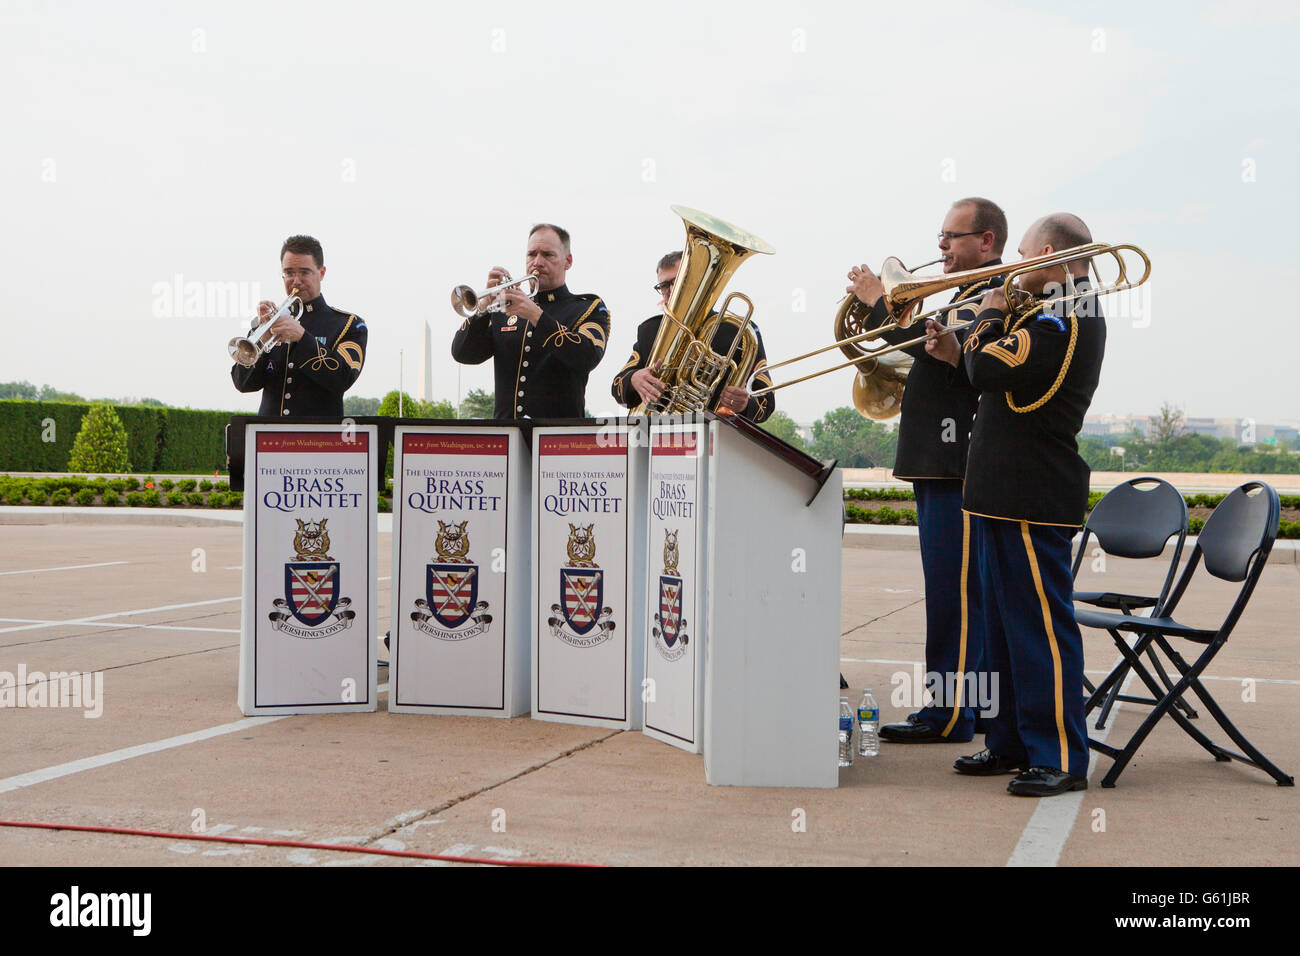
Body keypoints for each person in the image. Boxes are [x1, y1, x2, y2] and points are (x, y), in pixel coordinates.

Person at [925, 212, 1105, 797]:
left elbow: (990, 366)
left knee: (1040, 631)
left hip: (1032, 492)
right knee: (1001, 629)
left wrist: (991, 313)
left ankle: (1060, 757)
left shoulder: (1066, 314)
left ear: (1047, 252)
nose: (1012, 266)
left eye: (1022, 254)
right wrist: (960, 351)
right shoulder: (1049, 311)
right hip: (999, 492)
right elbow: (984, 369)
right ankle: (1008, 742)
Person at [845, 198, 1007, 743]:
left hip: (951, 464)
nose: (940, 247)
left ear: (985, 241)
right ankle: (975, 709)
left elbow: (922, 339)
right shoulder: (962, 293)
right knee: (962, 594)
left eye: (952, 237)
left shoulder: (988, 294)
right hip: (940, 463)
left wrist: (875, 304)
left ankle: (949, 715)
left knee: (952, 595)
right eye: (939, 236)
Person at [451, 223, 610, 419]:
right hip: (507, 436)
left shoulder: (587, 308)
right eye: (531, 254)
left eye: (547, 255)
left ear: (567, 261)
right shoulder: (505, 309)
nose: (537, 262)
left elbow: (587, 356)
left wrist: (537, 316)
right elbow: (463, 354)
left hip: (557, 439)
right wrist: (483, 307)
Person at [610, 251, 775, 421]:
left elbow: (766, 403)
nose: (671, 290)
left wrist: (745, 405)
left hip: (716, 439)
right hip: (655, 436)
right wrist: (634, 379)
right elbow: (617, 386)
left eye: (678, 281)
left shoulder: (739, 331)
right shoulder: (650, 330)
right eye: (664, 286)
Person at [231, 235, 367, 417]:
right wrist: (261, 340)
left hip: (318, 440)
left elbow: (342, 379)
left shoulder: (348, 325)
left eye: (304, 272)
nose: (295, 280)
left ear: (322, 272)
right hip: (269, 439)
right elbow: (243, 384)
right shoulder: (267, 323)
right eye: (289, 273)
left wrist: (303, 339)